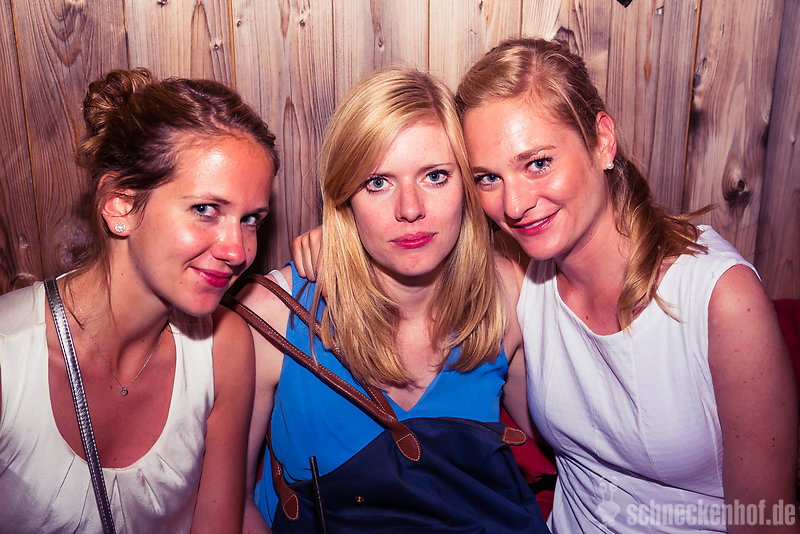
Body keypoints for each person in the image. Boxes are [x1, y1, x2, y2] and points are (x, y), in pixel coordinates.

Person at [454, 37, 799, 533]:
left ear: (602, 142)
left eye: (538, 163)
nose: (514, 204)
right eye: (488, 178)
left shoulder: (720, 297)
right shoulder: (521, 279)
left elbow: (767, 520)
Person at [237, 67, 548, 533]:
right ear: (345, 197)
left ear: (467, 185)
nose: (410, 209)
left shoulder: (507, 294)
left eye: (435, 176)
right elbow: (227, 503)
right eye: (377, 183)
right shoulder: (272, 316)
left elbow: (567, 448)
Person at [0, 68, 279, 533]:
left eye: (251, 219)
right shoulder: (9, 359)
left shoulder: (223, 347)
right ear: (121, 205)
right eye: (205, 209)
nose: (237, 250)